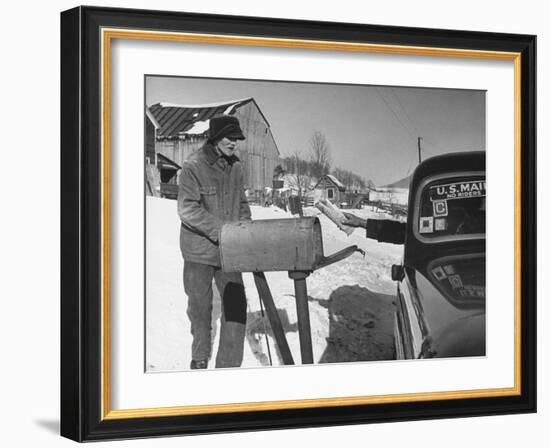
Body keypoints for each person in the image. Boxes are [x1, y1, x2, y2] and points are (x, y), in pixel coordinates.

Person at [177, 115, 251, 369]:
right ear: (216, 137)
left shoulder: (237, 167)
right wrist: (223, 231)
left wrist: (244, 230)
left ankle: (227, 368)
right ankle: (199, 358)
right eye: (230, 138)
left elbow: (242, 204)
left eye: (237, 139)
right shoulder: (193, 166)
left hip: (229, 252)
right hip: (198, 250)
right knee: (200, 308)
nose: (235, 143)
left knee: (236, 305)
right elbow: (188, 210)